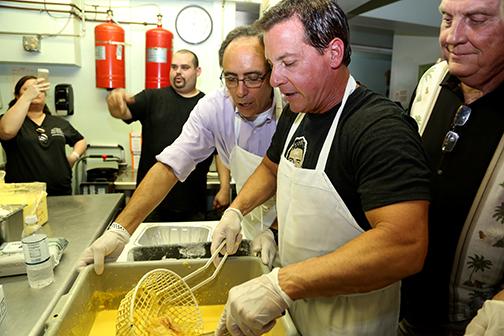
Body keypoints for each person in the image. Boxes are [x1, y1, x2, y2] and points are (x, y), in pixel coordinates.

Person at [210, 0, 432, 335]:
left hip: (350, 322)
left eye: (288, 62)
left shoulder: (381, 128)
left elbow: (405, 245)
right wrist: (236, 211)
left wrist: (283, 283)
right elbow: (271, 169)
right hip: (295, 311)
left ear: (334, 52)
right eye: (273, 64)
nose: (275, 79)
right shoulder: (297, 111)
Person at [77, 25, 286, 275]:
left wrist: (274, 230)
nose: (240, 91)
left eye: (253, 78)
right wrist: (120, 231)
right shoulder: (214, 109)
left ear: (272, 72)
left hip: (294, 226)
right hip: (247, 226)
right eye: (231, 78)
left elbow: (289, 182)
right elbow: (170, 165)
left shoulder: (293, 107)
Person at [399, 0, 504, 335]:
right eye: (447, 18)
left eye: (475, 19)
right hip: (396, 304)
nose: (452, 37)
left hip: (474, 321)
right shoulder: (432, 80)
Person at [106, 49, 218, 222]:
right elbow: (123, 112)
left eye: (184, 67)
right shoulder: (153, 97)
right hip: (150, 204)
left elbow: (220, 151)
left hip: (192, 203)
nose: (178, 71)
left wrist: (225, 188)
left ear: (197, 72)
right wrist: (114, 101)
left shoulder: (207, 105)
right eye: (174, 67)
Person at [0, 75, 86, 196]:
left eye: (39, 89)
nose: (35, 92)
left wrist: (73, 157)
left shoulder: (58, 122)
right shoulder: (9, 121)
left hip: (60, 192)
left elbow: (80, 140)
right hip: (23, 194)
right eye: (28, 89)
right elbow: (7, 131)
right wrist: (27, 98)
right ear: (18, 96)